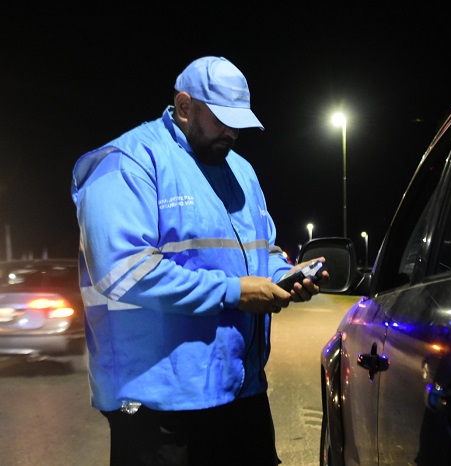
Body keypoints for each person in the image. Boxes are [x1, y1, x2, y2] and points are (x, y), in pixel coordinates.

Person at [70, 55, 329, 466]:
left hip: (238, 390)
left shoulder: (241, 171)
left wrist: (285, 275)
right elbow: (123, 271)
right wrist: (234, 292)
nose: (231, 132)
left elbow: (266, 252)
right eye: (221, 119)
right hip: (156, 405)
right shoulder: (127, 162)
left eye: (239, 122)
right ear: (185, 106)